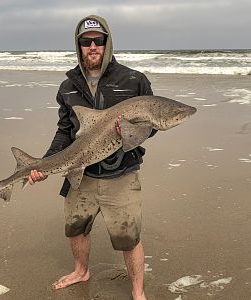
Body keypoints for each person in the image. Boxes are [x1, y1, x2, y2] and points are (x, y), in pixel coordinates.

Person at [29, 15, 157, 300]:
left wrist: (133, 132)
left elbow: (152, 127)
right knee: (75, 226)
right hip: (81, 173)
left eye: (98, 40)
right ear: (79, 46)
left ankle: (138, 292)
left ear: (107, 42)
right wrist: (44, 164)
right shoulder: (68, 87)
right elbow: (65, 132)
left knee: (128, 237)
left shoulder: (134, 80)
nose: (92, 47)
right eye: (86, 42)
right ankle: (81, 270)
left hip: (121, 173)